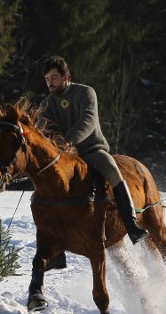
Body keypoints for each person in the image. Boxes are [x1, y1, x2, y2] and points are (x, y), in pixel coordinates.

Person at [37, 55, 148, 245]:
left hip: (92, 150)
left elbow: (88, 122)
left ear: (66, 76)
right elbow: (43, 129)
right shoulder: (46, 104)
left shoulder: (86, 93)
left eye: (54, 78)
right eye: (47, 79)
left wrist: (67, 142)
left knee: (113, 171)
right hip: (63, 158)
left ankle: (132, 226)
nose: (50, 83)